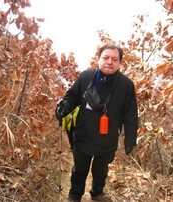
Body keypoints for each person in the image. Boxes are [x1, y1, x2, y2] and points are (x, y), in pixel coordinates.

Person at [55, 43, 138, 202]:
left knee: (101, 169)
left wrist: (130, 139)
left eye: (114, 59)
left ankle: (97, 192)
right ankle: (74, 195)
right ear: (98, 59)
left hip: (108, 137)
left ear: (119, 63)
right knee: (79, 168)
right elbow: (72, 96)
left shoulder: (126, 85)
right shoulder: (86, 77)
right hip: (83, 132)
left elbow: (131, 115)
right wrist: (64, 107)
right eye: (105, 57)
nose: (109, 62)